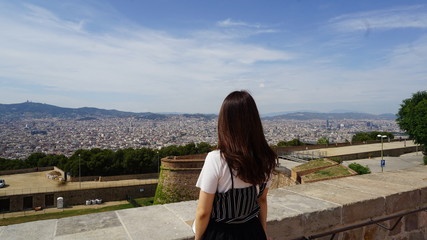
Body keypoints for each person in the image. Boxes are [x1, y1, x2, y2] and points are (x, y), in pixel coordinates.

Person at [194, 90, 277, 240]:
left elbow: (203, 212)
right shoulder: (266, 158)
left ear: (225, 122)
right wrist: (263, 232)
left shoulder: (217, 159)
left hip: (222, 233)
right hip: (253, 231)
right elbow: (262, 200)